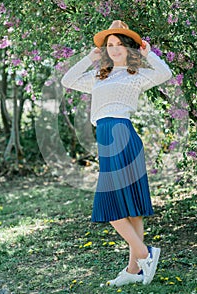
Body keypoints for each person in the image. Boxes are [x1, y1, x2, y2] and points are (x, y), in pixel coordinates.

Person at [61, 20, 172, 287]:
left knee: (112, 205)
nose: (114, 49)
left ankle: (145, 254)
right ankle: (134, 270)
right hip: (106, 136)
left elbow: (165, 73)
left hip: (122, 134)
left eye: (120, 44)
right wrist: (89, 58)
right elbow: (67, 79)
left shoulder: (136, 75)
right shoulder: (98, 77)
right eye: (110, 45)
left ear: (129, 48)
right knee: (130, 208)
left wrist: (149, 55)